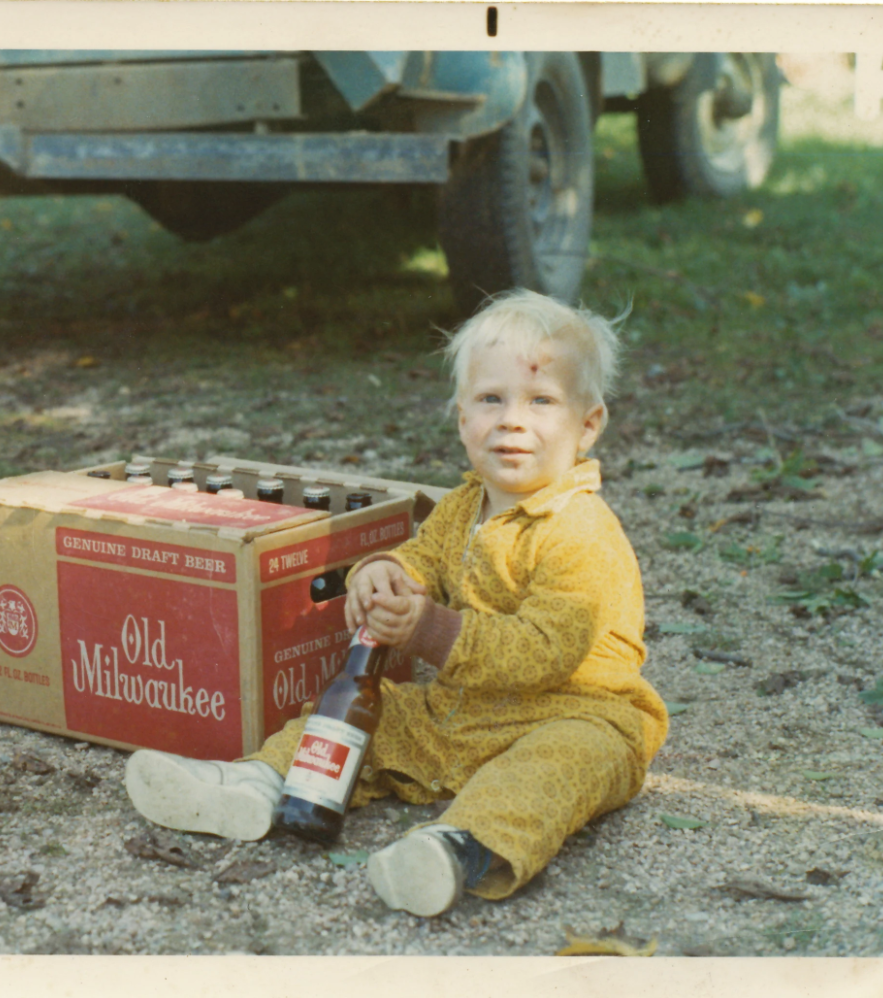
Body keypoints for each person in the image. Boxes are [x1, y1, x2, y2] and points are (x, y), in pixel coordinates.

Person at [124, 289, 668, 917]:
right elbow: (424, 559)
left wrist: (430, 631)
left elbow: (546, 652)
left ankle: (456, 850)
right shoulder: (467, 505)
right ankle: (256, 783)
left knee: (550, 772)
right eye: (491, 400)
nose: (513, 421)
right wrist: (382, 575)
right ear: (463, 418)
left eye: (541, 402)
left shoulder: (581, 531)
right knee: (362, 720)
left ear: (587, 424)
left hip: (576, 713)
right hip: (463, 712)